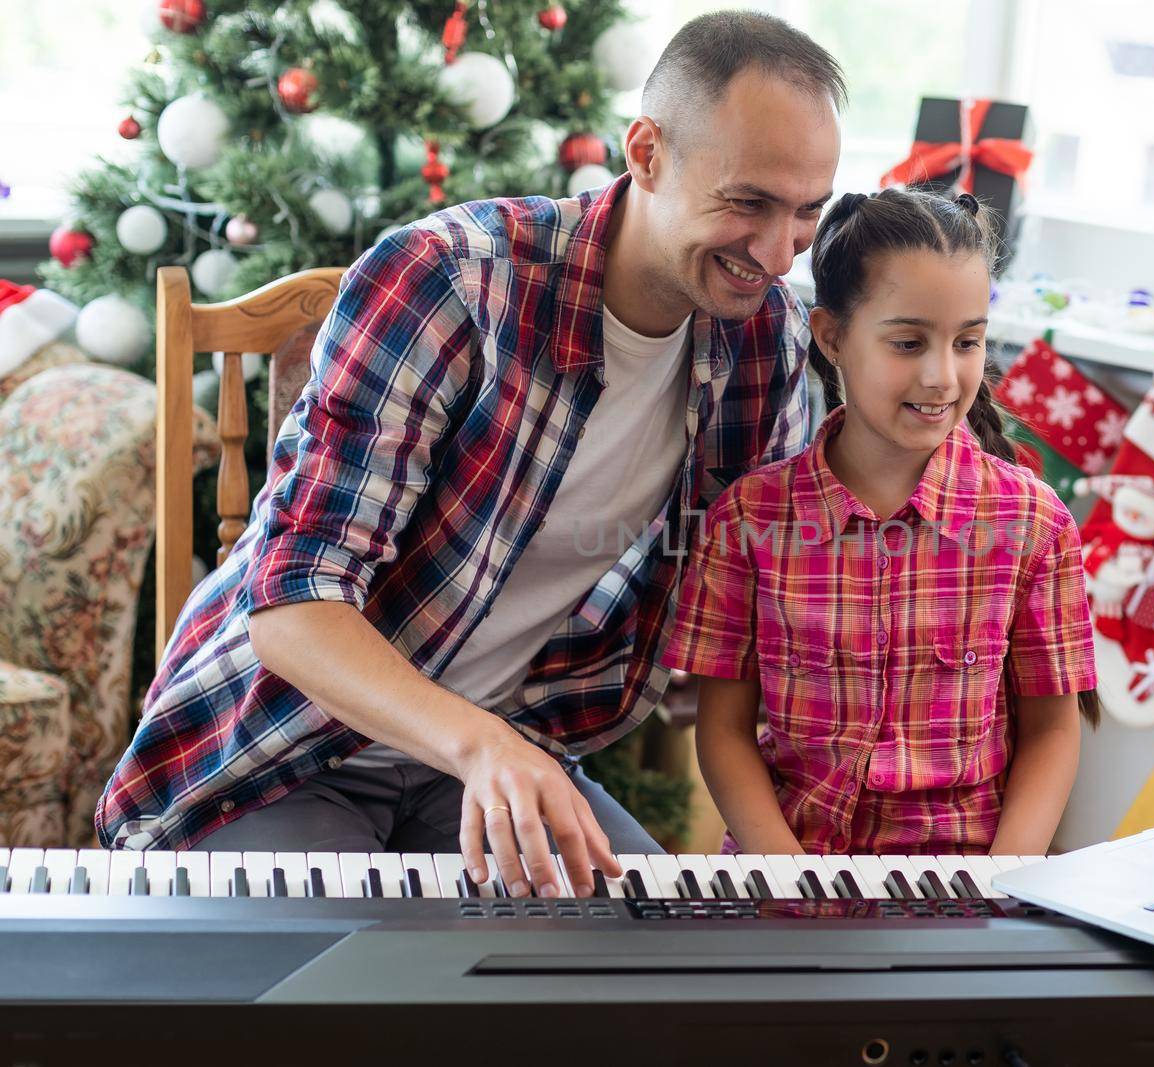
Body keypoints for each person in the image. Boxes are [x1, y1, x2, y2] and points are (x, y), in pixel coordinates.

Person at [96, 10, 845, 900]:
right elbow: (294, 602)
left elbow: (776, 602)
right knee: (347, 1007)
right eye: (747, 202)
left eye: (807, 213)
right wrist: (482, 743)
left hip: (494, 757)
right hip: (284, 747)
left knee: (663, 969)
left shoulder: (766, 342)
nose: (774, 252)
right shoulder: (452, 279)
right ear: (645, 153)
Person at [661, 188, 1101, 857]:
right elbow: (722, 732)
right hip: (786, 882)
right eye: (907, 342)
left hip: (961, 898)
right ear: (832, 335)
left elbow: (1052, 732)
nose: (942, 376)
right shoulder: (746, 521)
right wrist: (791, 877)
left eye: (967, 342)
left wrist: (999, 887)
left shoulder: (1036, 523)